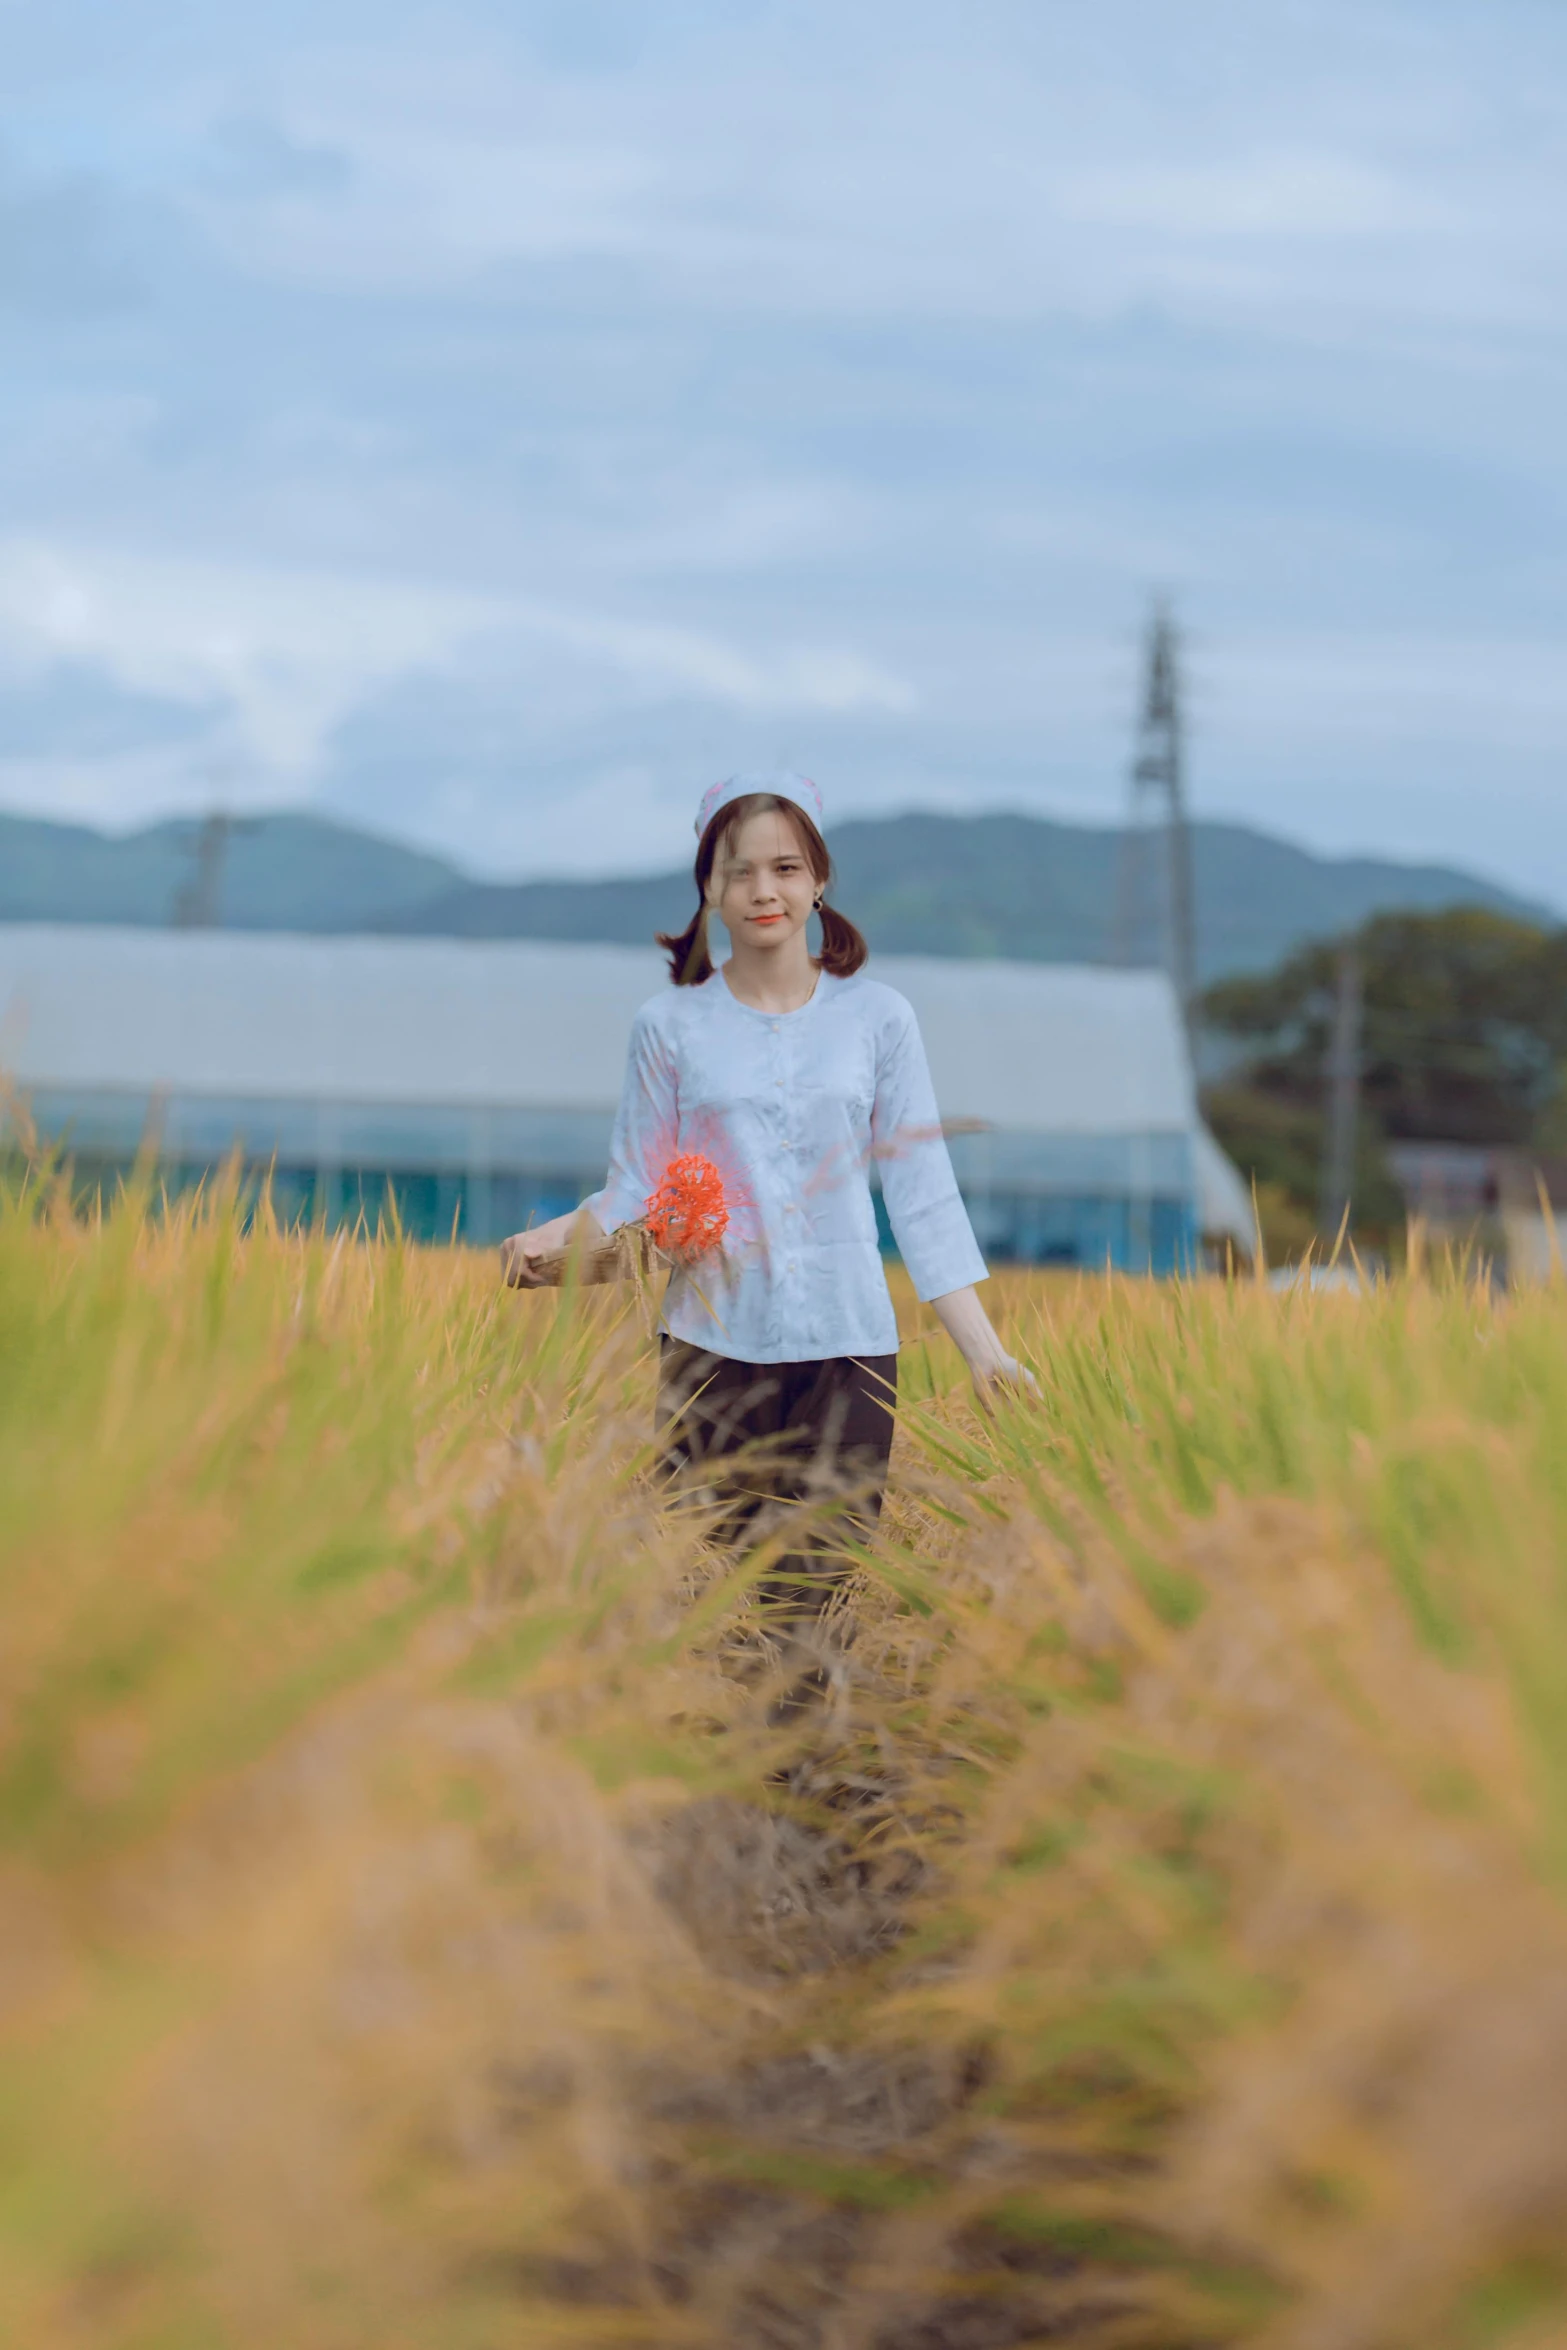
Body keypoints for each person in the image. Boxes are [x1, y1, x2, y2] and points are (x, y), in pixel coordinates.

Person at [501, 771, 1033, 1616]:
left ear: (819, 880)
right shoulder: (669, 1027)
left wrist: (984, 1351)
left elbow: (922, 1192)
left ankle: (803, 1753)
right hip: (710, 1351)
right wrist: (547, 1244)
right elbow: (634, 1186)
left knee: (817, 1603)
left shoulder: (879, 1019)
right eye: (738, 871)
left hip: (849, 1351)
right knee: (717, 1606)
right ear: (709, 889)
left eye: (785, 868)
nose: (762, 891)